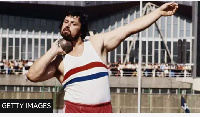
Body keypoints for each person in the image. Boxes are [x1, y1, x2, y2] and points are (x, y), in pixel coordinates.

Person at [26, 2, 178, 113]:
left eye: (73, 23)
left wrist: (158, 12)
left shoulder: (96, 44)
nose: (67, 25)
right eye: (66, 22)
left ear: (81, 31)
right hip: (76, 111)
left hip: (104, 111)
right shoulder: (60, 61)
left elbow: (130, 28)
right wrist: (53, 50)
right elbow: (32, 75)